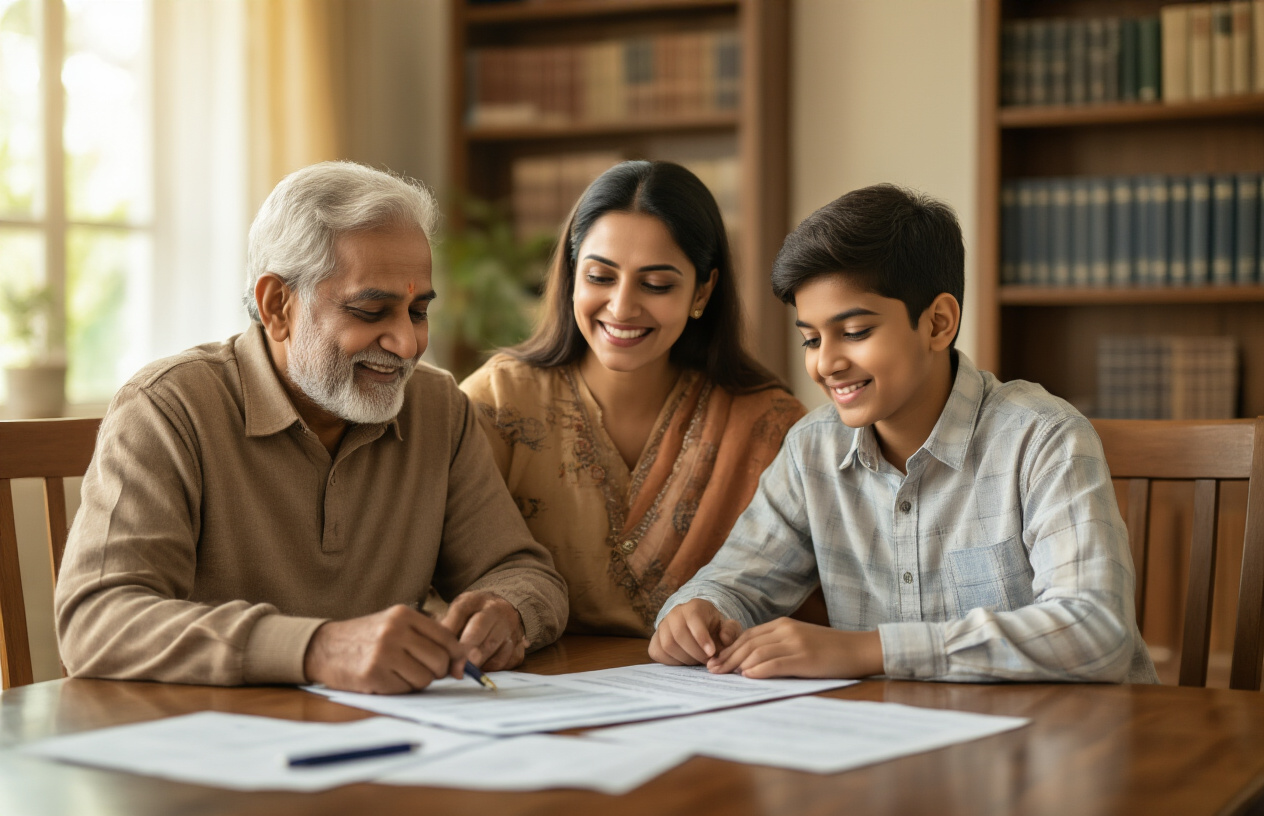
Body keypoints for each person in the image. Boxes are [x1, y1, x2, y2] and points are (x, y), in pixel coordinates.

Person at [54, 161, 568, 693]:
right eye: (372, 311)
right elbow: (97, 619)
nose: (408, 344)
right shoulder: (167, 409)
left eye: (417, 311)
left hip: (394, 743)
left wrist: (507, 611)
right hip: (216, 746)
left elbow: (524, 572)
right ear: (277, 305)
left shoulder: (438, 406)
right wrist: (318, 649)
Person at [649, 183, 1158, 684]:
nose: (826, 363)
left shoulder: (1044, 438)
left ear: (938, 323)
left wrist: (871, 650)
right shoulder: (812, 449)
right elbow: (737, 582)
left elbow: (1096, 629)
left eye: (855, 333)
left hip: (1066, 746)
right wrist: (698, 611)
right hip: (901, 742)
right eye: (810, 339)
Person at [460, 160, 805, 636]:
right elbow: (446, 569)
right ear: (571, 275)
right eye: (600, 276)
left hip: (714, 695)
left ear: (702, 291)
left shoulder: (770, 425)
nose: (621, 307)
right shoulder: (497, 402)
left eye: (657, 284)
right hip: (534, 686)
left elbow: (810, 605)